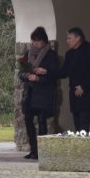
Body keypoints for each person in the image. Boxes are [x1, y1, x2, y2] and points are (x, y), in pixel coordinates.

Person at [35, 27, 90, 133]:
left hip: (86, 94)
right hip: (74, 95)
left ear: (78, 38)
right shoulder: (69, 54)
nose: (67, 41)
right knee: (77, 127)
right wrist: (46, 72)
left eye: (69, 38)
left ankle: (83, 144)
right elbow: (64, 72)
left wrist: (84, 86)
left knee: (84, 126)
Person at [19, 26, 58, 160]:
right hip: (30, 93)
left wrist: (39, 78)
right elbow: (20, 73)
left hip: (44, 93)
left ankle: (42, 151)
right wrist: (26, 75)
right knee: (28, 119)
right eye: (34, 41)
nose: (35, 44)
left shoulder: (50, 55)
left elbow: (54, 75)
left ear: (44, 41)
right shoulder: (28, 54)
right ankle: (33, 149)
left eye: (38, 41)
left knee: (42, 121)